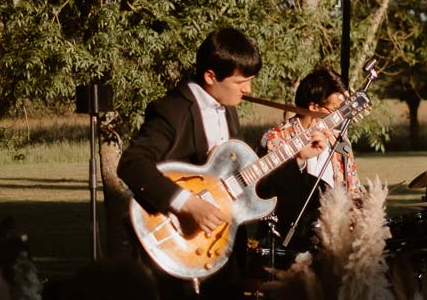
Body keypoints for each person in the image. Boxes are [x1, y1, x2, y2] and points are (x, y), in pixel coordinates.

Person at [118, 27, 279, 300]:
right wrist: (188, 204)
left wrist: (299, 155)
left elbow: (237, 180)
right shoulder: (172, 110)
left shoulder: (228, 109)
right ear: (210, 76)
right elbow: (132, 164)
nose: (248, 89)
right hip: (178, 244)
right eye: (241, 82)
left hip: (221, 249)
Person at [257, 67, 360, 255]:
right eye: (336, 110)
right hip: (285, 241)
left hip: (333, 240)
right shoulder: (275, 140)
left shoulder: (341, 141)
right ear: (314, 107)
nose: (341, 117)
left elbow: (353, 191)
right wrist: (300, 159)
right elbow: (265, 193)